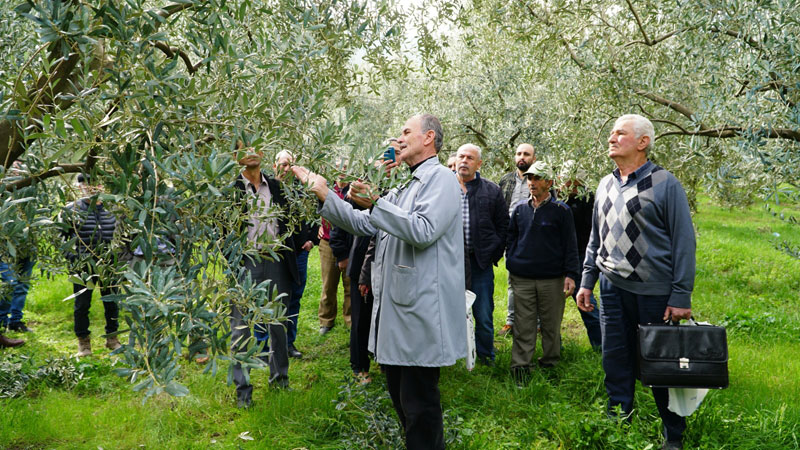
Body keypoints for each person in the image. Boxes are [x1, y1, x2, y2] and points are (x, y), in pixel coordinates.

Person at [294, 114, 466, 450]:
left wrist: (376, 201)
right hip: (399, 316)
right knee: (404, 404)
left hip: (420, 316)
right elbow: (364, 223)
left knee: (420, 408)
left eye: (406, 132)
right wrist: (325, 194)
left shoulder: (442, 180)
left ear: (429, 137)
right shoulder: (406, 185)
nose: (399, 139)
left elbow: (423, 230)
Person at [576, 114, 696, 450]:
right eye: (611, 133)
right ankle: (617, 423)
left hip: (655, 293)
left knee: (661, 368)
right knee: (614, 359)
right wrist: (588, 279)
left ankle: (673, 434)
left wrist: (681, 295)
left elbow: (684, 242)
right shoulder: (604, 184)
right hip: (612, 289)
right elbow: (594, 238)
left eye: (620, 134)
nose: (611, 138)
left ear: (643, 142)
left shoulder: (665, 184)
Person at [228, 145, 304, 407]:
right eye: (244, 147)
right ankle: (243, 393)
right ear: (236, 156)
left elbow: (294, 219)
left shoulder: (276, 187)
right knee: (240, 328)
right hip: (245, 263)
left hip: (276, 260)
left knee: (278, 325)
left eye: (256, 146)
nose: (251, 151)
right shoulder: (230, 190)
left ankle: (280, 381)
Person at [506, 161, 579, 380]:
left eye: (537, 178)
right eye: (529, 178)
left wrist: (571, 275)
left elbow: (570, 246)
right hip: (523, 278)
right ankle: (521, 367)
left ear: (549, 182)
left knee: (550, 325)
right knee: (523, 324)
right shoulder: (519, 209)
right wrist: (513, 261)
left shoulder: (561, 211)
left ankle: (550, 365)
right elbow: (511, 238)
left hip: (552, 279)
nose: (532, 183)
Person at [455, 143, 508, 365]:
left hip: (479, 263)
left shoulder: (491, 190)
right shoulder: (443, 187)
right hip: (450, 262)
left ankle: (486, 356)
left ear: (479, 164)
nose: (464, 161)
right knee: (447, 311)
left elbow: (503, 226)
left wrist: (490, 254)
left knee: (484, 314)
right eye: (461, 157)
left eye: (470, 158)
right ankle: (453, 355)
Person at [60, 174, 123, 357]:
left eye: (96, 184)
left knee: (112, 303)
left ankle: (112, 339)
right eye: (87, 185)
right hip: (82, 267)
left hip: (109, 265)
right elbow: (61, 237)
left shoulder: (113, 208)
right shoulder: (71, 210)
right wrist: (73, 258)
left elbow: (123, 234)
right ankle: (84, 344)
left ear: (102, 186)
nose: (92, 188)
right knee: (82, 305)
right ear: (80, 187)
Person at [271, 150, 316, 359]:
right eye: (283, 164)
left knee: (295, 297)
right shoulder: (267, 189)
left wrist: (311, 240)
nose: (286, 169)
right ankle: (266, 347)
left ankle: (289, 344)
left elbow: (313, 212)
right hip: (274, 254)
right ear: (275, 166)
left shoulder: (301, 191)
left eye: (290, 165)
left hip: (299, 253)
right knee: (272, 298)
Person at [559, 160, 602, 349]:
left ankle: (601, 345)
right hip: (556, 258)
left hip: (579, 258)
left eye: (571, 182)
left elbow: (590, 235)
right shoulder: (556, 199)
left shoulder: (588, 200)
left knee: (586, 303)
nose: (567, 184)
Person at [497, 143, 536, 336]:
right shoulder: (505, 180)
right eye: (519, 153)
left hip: (533, 237)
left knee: (536, 279)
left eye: (526, 154)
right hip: (511, 237)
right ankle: (511, 322)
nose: (522, 157)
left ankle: (536, 323)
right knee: (513, 280)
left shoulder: (539, 180)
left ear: (533, 158)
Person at [317, 162, 352, 336]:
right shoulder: (326, 189)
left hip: (348, 243)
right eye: (339, 166)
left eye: (346, 167)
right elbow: (310, 210)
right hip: (327, 243)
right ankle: (326, 320)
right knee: (328, 284)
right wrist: (317, 225)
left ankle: (350, 319)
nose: (342, 170)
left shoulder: (353, 190)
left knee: (349, 284)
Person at [0, 257, 35, 333]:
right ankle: (2, 321)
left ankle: (15, 322)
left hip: (29, 250)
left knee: (23, 285)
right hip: (5, 250)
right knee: (10, 284)